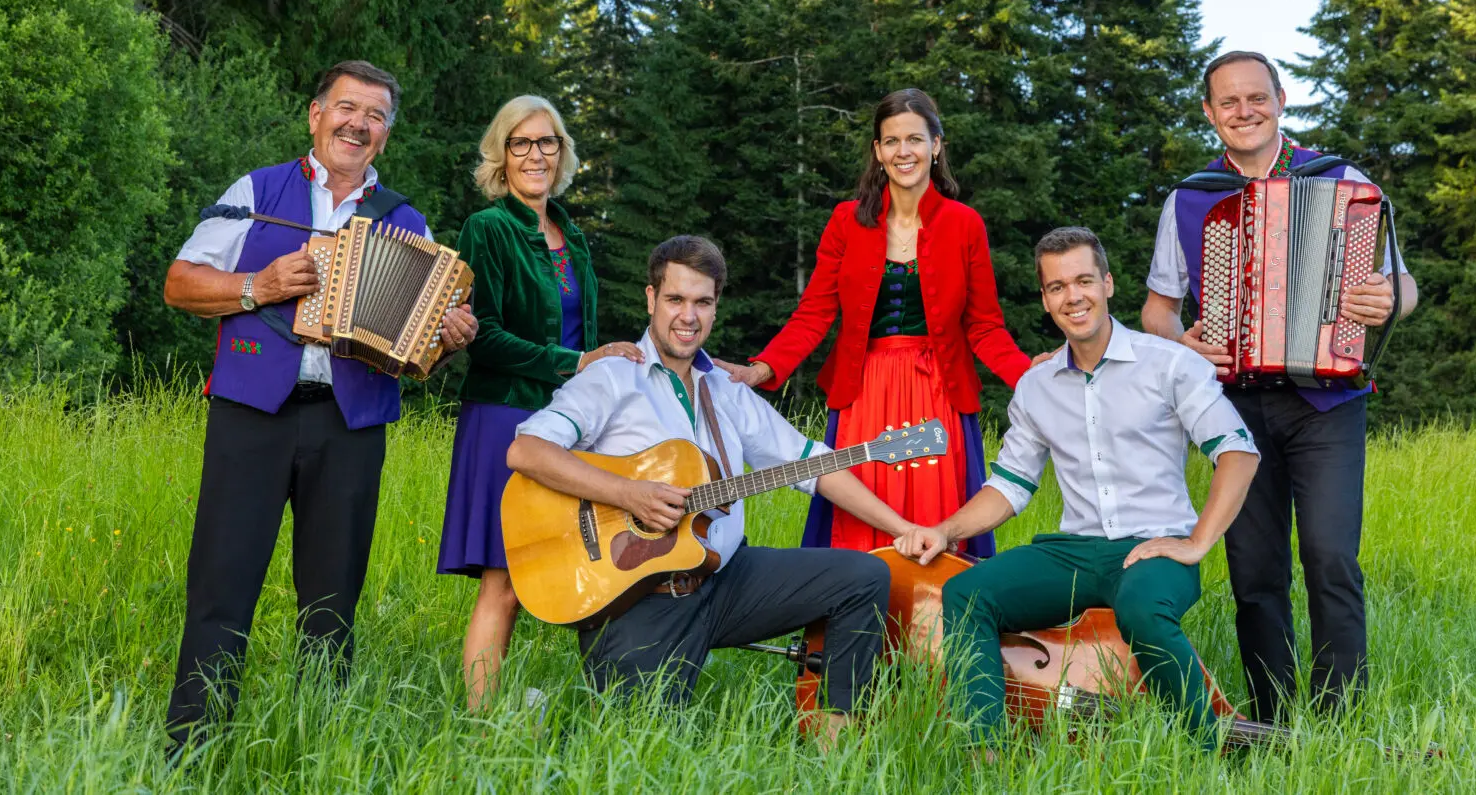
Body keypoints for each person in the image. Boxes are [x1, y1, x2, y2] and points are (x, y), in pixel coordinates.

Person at [163, 60, 478, 750]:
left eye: (375, 116)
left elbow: (416, 353)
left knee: (333, 600)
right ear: (316, 114)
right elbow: (180, 283)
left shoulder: (406, 220)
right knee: (221, 584)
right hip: (251, 412)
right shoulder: (256, 190)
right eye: (347, 108)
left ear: (386, 134)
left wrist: (448, 336)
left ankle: (317, 751)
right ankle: (191, 749)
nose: (358, 124)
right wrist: (260, 284)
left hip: (350, 425)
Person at [508, 236, 913, 744]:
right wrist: (627, 494)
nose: (688, 316)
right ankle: (536, 723)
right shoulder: (611, 377)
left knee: (864, 577)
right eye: (675, 299)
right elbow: (527, 451)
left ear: (716, 307)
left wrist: (902, 527)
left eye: (702, 302)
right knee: (644, 752)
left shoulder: (725, 388)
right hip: (639, 599)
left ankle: (835, 748)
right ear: (651, 299)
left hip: (726, 580)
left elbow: (810, 464)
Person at [895, 227, 1259, 749]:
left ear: (1108, 284)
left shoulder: (1171, 364)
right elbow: (1011, 484)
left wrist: (1197, 542)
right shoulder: (1036, 386)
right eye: (1057, 287)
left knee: (1142, 610)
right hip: (1074, 552)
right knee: (966, 593)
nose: (1073, 296)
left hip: (1154, 548)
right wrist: (945, 530)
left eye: (1084, 281)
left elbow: (1238, 453)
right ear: (1046, 300)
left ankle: (1208, 749)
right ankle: (985, 753)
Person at [1140, 50, 1419, 723]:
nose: (1245, 111)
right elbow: (1157, 310)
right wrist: (1184, 343)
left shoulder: (1341, 179)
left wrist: (1388, 299)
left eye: (1256, 97)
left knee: (1330, 557)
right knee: (1255, 569)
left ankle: (1338, 718)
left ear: (1280, 99)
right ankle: (1272, 718)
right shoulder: (1191, 197)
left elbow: (1404, 284)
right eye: (1228, 102)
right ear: (1210, 113)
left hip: (1328, 400)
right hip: (1234, 407)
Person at [719, 89, 1037, 557]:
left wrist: (1034, 380)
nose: (903, 151)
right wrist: (760, 370)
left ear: (936, 145)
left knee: (935, 526)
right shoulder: (846, 221)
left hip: (939, 396)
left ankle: (937, 606)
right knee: (857, 526)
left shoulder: (965, 224)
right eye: (891, 141)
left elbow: (985, 327)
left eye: (914, 139)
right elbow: (814, 313)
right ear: (878, 151)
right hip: (864, 395)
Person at [435, 95, 642, 712]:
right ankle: (480, 725)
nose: (535, 155)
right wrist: (576, 363)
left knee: (591, 570)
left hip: (572, 425)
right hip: (505, 419)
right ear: (501, 155)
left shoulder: (572, 235)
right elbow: (484, 337)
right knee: (504, 581)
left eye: (546, 142)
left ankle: (607, 713)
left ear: (561, 152)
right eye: (520, 143)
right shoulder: (488, 228)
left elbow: (588, 336)